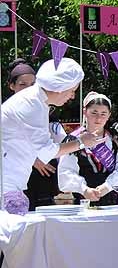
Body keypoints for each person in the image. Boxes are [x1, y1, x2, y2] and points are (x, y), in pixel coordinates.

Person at [1, 59, 95, 214]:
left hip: (10, 182)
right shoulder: (32, 105)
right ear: (60, 88)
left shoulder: (36, 101)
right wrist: (81, 142)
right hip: (6, 184)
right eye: (72, 90)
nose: (72, 96)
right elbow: (46, 152)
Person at [59, 92, 118, 207]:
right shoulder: (74, 140)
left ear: (109, 115)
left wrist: (108, 186)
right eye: (94, 113)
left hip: (114, 196)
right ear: (85, 112)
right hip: (86, 198)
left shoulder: (116, 139)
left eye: (103, 114)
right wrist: (84, 189)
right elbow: (66, 171)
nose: (98, 118)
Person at [9, 59, 66, 210]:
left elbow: (58, 140)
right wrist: (34, 158)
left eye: (32, 84)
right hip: (14, 176)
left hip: (42, 177)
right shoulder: (8, 111)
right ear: (11, 86)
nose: (28, 88)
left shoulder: (46, 110)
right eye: (22, 84)